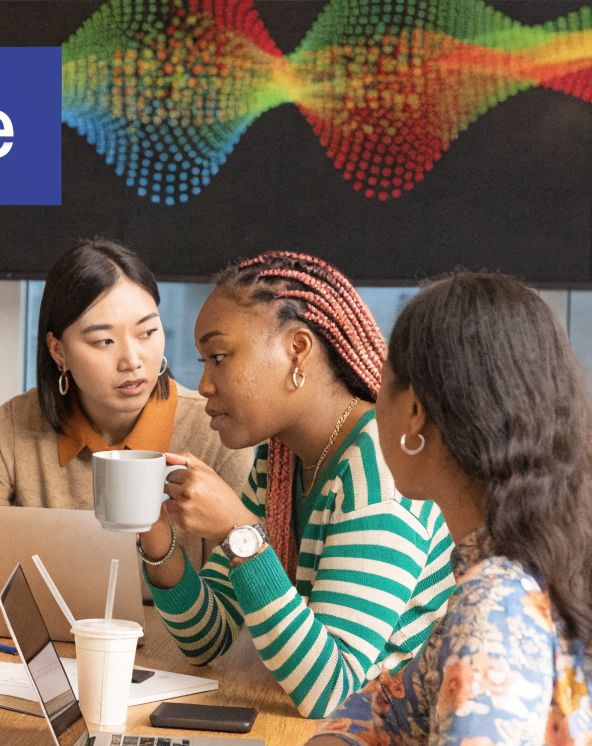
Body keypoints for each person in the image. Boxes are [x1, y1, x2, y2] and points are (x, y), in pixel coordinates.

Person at [282, 272, 591, 746]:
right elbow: (385, 718)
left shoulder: (494, 608)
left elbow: (337, 690)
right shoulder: (519, 570)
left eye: (380, 385)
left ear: (414, 412)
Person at [139, 251, 455, 718]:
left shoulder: (380, 475)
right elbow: (209, 638)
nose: (204, 385)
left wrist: (240, 535)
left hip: (397, 734)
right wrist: (157, 540)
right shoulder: (281, 461)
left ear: (297, 350)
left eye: (219, 357)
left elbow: (331, 688)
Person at [0, 238, 253, 601]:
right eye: (104, 341)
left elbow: (252, 588)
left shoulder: (215, 427)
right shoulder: (18, 423)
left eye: (148, 332)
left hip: (179, 638)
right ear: (58, 351)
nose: (132, 360)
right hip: (56, 635)